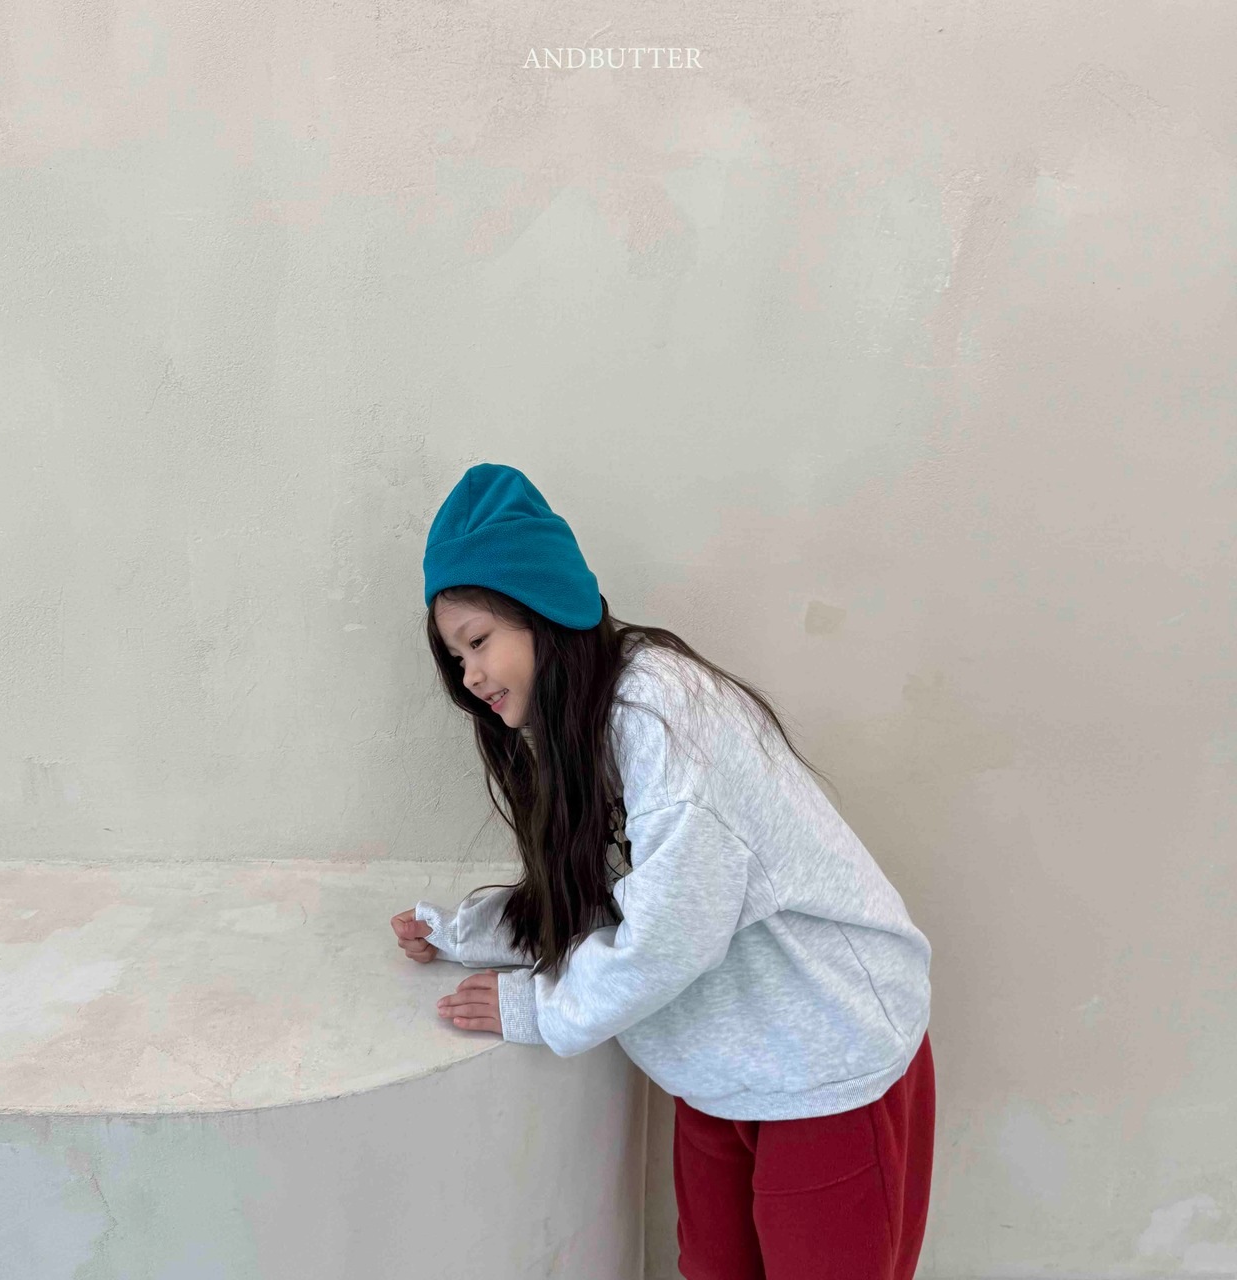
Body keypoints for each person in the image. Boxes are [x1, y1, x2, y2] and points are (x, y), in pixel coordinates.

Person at [390, 462, 936, 1279]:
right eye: (454, 655)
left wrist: (539, 1008)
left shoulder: (662, 717)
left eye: (478, 641)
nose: (468, 675)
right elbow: (609, 890)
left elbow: (670, 934)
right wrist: (467, 931)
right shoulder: (581, 727)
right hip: (723, 1061)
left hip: (828, 1061)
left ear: (545, 608)